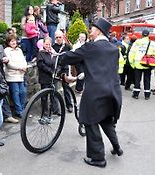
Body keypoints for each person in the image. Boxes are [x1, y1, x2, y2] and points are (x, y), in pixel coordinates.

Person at [60, 18, 123, 168]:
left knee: (90, 121)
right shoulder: (114, 49)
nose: (90, 31)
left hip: (95, 92)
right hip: (113, 90)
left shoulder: (90, 47)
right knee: (106, 119)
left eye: (92, 29)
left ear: (99, 31)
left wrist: (58, 57)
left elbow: (71, 56)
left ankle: (97, 158)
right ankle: (117, 147)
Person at [4, 34, 28, 118]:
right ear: (8, 42)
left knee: (23, 92)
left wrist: (24, 66)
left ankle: (22, 108)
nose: (13, 42)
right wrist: (20, 68)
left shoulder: (19, 50)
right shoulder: (7, 50)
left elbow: (23, 60)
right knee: (16, 93)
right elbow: (9, 64)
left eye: (14, 41)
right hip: (12, 75)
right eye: (11, 41)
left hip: (20, 75)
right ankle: (19, 111)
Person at [129, 30, 155, 100]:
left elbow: (131, 53)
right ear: (148, 35)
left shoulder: (137, 42)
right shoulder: (152, 43)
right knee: (147, 79)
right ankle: (147, 95)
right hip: (147, 64)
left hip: (138, 64)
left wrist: (132, 63)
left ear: (142, 35)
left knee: (137, 80)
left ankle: (136, 94)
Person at [52, 30, 73, 113]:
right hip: (56, 69)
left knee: (66, 88)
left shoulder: (67, 46)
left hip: (65, 69)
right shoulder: (53, 46)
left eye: (60, 37)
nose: (58, 39)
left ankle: (69, 105)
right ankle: (56, 109)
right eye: (56, 37)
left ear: (63, 37)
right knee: (54, 89)